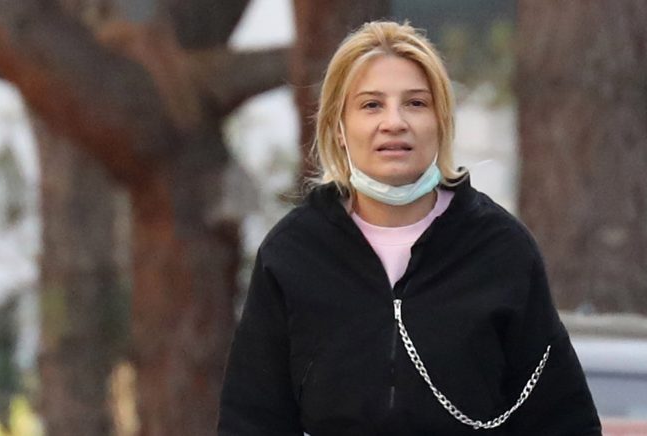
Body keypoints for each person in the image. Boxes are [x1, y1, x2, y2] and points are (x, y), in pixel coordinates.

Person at [217, 20, 601, 435]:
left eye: (416, 103)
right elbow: (250, 421)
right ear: (339, 128)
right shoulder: (292, 254)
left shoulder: (501, 250)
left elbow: (564, 421)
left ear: (441, 121)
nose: (394, 122)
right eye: (371, 105)